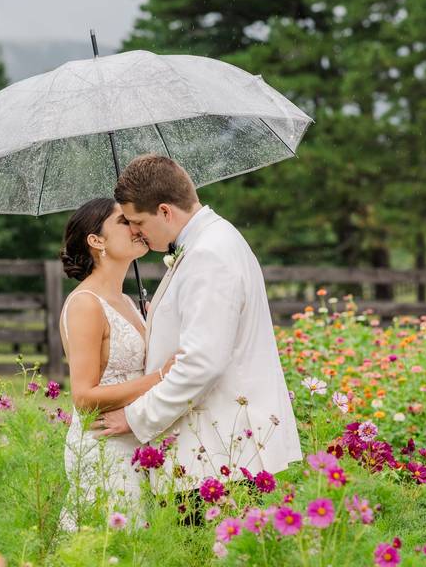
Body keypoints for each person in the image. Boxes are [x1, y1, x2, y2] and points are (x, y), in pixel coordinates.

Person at [94, 154, 303, 506]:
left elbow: (202, 363)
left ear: (165, 212)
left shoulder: (209, 255)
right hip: (218, 454)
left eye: (138, 221)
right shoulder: (213, 240)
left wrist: (136, 416)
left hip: (218, 458)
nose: (135, 232)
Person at [56, 197, 176, 531]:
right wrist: (160, 378)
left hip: (137, 440)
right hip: (105, 447)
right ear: (96, 241)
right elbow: (83, 397)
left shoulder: (126, 301)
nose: (136, 227)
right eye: (124, 222)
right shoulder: (85, 304)